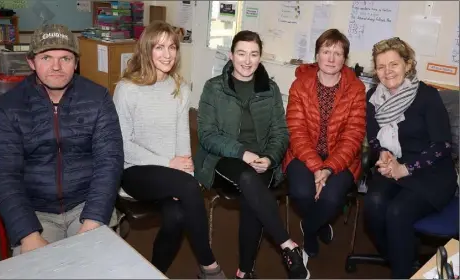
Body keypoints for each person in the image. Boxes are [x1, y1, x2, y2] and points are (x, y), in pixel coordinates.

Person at [0, 24, 124, 256]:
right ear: (31, 62)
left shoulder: (98, 97)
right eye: (47, 57)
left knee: (105, 266)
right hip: (34, 212)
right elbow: (2, 173)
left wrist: (93, 220)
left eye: (65, 58)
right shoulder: (9, 105)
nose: (56, 67)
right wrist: (28, 234)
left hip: (88, 204)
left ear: (76, 62)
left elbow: (109, 161)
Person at [112, 21, 225, 279]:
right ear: (146, 50)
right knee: (187, 187)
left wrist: (183, 170)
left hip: (168, 173)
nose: (167, 54)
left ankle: (154, 273)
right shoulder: (127, 89)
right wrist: (172, 167)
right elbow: (123, 145)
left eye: (172, 47)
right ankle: (210, 267)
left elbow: (182, 137)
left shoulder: (179, 88)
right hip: (134, 171)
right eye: (159, 47)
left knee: (176, 216)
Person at [194, 30, 310, 279]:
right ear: (231, 55)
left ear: (260, 58)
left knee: (252, 194)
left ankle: (244, 272)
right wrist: (241, 152)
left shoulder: (270, 89)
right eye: (241, 53)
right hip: (224, 161)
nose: (247, 61)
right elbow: (207, 135)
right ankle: (287, 245)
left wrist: (269, 157)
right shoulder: (213, 88)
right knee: (249, 180)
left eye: (254, 54)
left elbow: (281, 133)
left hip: (263, 162)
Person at [364, 37, 458, 279]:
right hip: (393, 167)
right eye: (381, 66)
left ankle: (401, 271)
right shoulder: (374, 97)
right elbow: (374, 139)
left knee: (397, 212)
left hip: (431, 172)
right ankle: (403, 259)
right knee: (373, 204)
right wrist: (382, 153)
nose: (388, 71)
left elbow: (442, 146)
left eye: (394, 64)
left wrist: (406, 168)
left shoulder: (427, 96)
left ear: (407, 65)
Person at [283, 29, 366, 258]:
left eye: (337, 53)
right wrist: (317, 167)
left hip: (341, 159)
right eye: (326, 51)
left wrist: (329, 168)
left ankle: (309, 228)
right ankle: (318, 223)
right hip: (302, 154)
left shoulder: (357, 89)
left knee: (331, 198)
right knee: (301, 193)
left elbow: (354, 135)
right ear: (317, 55)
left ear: (344, 59)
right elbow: (296, 131)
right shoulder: (300, 85)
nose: (331, 58)